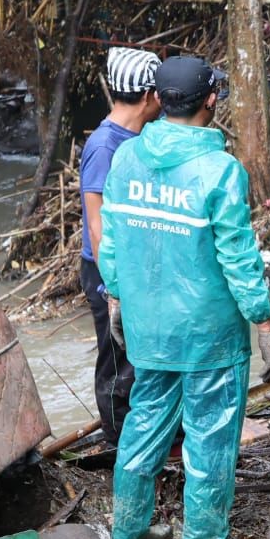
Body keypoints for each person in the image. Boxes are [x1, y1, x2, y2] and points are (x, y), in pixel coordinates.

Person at [99, 56, 270, 539]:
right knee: (211, 434)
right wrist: (263, 322)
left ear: (159, 99)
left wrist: (116, 298)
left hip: (149, 327)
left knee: (144, 422)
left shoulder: (127, 159)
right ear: (210, 100)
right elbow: (239, 258)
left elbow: (112, 241)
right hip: (209, 336)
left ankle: (129, 532)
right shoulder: (220, 171)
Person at [79, 48, 161, 445]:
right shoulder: (104, 147)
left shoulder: (135, 139)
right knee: (117, 359)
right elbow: (97, 225)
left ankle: (144, 429)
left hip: (131, 265)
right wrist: (113, 290)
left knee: (138, 352)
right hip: (106, 270)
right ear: (147, 97)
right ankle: (117, 437)